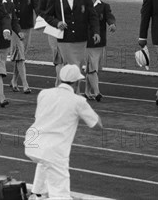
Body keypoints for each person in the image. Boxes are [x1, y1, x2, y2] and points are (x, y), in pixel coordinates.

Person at [24, 64, 102, 199]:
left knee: (44, 162)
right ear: (77, 82)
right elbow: (97, 124)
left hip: (32, 143)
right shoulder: (78, 101)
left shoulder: (44, 93)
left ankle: (37, 192)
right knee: (60, 194)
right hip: (54, 150)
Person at [42, 0, 101, 78]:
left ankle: (72, 91)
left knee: (77, 67)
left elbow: (92, 16)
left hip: (81, 38)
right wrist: (57, 23)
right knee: (71, 66)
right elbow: (47, 15)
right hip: (65, 39)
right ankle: (70, 91)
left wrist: (96, 32)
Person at [4, 0, 39, 94]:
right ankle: (25, 84)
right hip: (13, 26)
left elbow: (36, 5)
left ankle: (14, 80)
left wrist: (41, 18)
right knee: (20, 54)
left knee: (20, 55)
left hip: (26, 25)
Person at [83, 0, 116, 101]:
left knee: (92, 68)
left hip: (99, 42)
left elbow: (110, 17)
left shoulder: (104, 6)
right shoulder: (81, 5)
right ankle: (97, 93)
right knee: (92, 68)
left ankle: (87, 91)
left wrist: (112, 24)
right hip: (86, 41)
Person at [38, 0, 63, 86]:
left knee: (67, 57)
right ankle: (59, 83)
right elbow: (41, 11)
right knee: (58, 56)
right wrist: (53, 20)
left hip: (69, 28)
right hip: (53, 28)